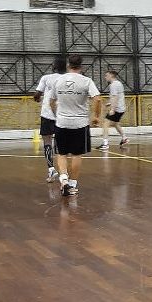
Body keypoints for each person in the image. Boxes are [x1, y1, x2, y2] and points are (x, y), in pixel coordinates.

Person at [50, 55, 101, 197]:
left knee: (61, 153)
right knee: (77, 154)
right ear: (81, 66)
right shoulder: (86, 81)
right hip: (80, 123)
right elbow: (97, 99)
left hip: (62, 122)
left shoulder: (58, 80)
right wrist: (96, 116)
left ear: (68, 65)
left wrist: (57, 114)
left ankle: (63, 179)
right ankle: (72, 184)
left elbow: (52, 101)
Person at [33, 56, 66, 182]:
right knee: (60, 144)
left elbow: (37, 95)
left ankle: (51, 169)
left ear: (54, 66)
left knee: (47, 142)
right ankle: (64, 172)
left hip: (47, 114)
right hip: (62, 115)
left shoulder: (46, 78)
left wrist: (40, 98)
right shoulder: (67, 79)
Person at [96, 70, 130, 151]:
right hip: (121, 108)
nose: (105, 77)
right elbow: (117, 97)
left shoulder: (113, 85)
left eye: (106, 75)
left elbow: (115, 97)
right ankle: (124, 138)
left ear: (111, 75)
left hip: (117, 109)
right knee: (115, 124)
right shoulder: (119, 83)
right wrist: (110, 103)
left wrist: (112, 109)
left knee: (105, 123)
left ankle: (105, 144)